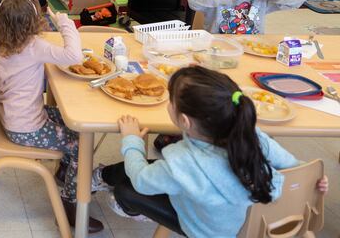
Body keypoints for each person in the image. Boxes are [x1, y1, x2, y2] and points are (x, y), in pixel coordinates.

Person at [99, 66, 329, 238]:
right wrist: (314, 181)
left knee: (126, 188)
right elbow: (294, 166)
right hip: (244, 222)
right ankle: (105, 179)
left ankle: (121, 202)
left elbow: (140, 180)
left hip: (201, 230)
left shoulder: (182, 160)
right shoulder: (254, 136)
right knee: (157, 170)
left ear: (185, 121)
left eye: (171, 101)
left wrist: (131, 140)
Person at [0, 0, 104, 233]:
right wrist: (65, 23)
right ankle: (71, 205)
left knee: (68, 118)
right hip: (26, 127)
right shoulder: (34, 47)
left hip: (14, 117)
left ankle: (65, 171)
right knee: (80, 143)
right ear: (34, 20)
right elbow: (73, 56)